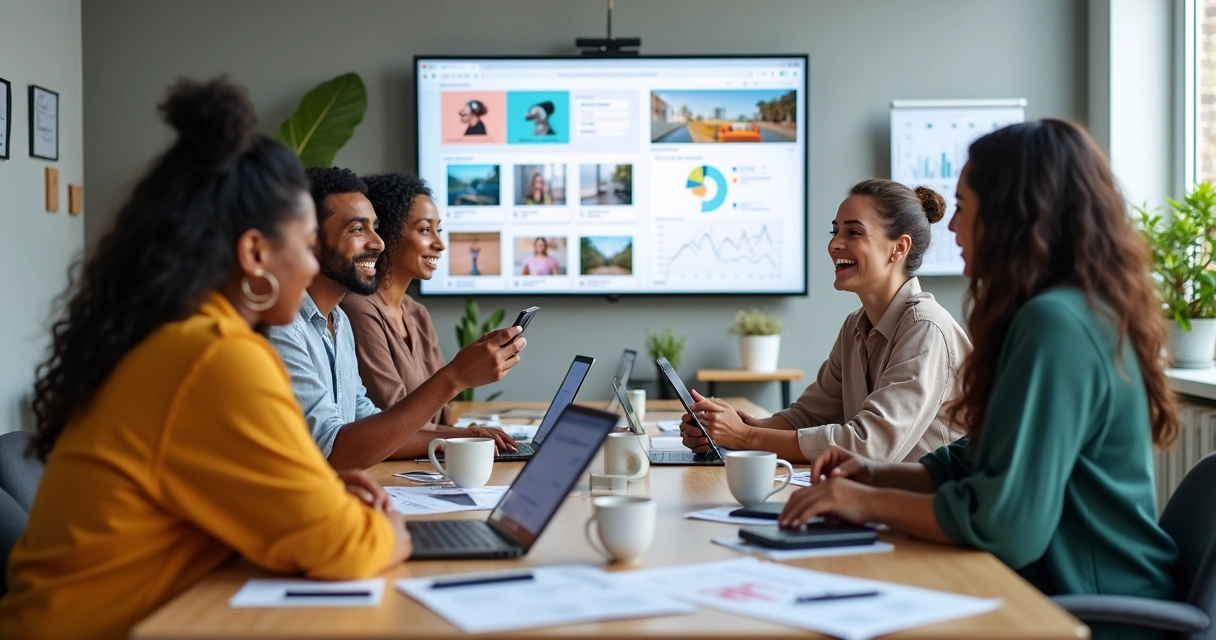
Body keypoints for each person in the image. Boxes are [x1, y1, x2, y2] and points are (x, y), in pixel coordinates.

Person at [0, 78, 410, 640]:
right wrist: (390, 531)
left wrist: (318, 495)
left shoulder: (174, 338)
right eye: (306, 241)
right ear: (255, 254)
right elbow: (343, 548)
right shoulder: (216, 357)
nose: (312, 266)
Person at [779, 120, 1180, 639]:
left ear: (1016, 213)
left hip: (1088, 608)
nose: (950, 228)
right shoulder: (1057, 313)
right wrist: (872, 473)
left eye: (964, 208)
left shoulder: (1055, 324)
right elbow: (978, 461)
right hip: (1050, 588)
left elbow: (1006, 524)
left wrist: (865, 502)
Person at [680, 179, 970, 463]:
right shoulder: (855, 327)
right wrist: (737, 425)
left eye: (854, 232)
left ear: (899, 248)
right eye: (834, 231)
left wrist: (744, 437)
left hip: (928, 507)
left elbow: (869, 446)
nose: (834, 244)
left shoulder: (925, 328)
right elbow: (808, 416)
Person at [268, 168, 521, 470]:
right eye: (357, 230)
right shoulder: (282, 329)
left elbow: (372, 425)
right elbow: (335, 450)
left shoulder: (338, 322)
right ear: (310, 242)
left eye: (375, 228)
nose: (379, 243)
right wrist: (455, 377)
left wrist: (463, 438)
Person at [339, 172, 458, 422]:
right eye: (425, 230)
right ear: (388, 233)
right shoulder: (359, 309)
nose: (440, 243)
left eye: (439, 230)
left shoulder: (416, 312)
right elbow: (395, 418)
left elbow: (444, 410)